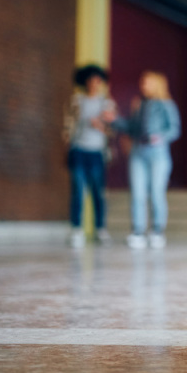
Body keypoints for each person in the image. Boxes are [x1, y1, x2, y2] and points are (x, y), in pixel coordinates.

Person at [108, 71, 181, 249]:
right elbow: (132, 128)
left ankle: (157, 231)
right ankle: (138, 231)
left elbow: (174, 129)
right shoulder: (139, 104)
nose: (143, 86)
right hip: (138, 151)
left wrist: (160, 136)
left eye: (146, 82)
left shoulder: (166, 104)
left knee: (157, 192)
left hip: (158, 152)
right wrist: (114, 121)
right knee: (137, 193)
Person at [63, 65, 117, 248]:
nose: (94, 84)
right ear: (85, 82)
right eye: (91, 80)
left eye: (98, 80)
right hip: (79, 150)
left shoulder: (107, 103)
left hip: (97, 153)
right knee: (78, 191)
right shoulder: (76, 101)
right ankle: (76, 229)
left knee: (97, 192)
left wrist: (101, 126)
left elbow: (113, 130)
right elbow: (68, 124)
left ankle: (100, 228)